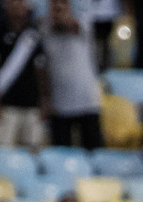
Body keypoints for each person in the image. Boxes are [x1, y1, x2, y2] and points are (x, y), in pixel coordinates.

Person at [0, 0, 48, 150]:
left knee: (33, 150)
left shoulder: (33, 34)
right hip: (7, 103)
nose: (16, 6)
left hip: (31, 104)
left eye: (20, 2)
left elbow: (40, 69)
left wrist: (44, 100)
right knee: (3, 149)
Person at [42, 0, 103, 149]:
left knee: (93, 152)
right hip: (58, 103)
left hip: (86, 101)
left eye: (62, 10)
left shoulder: (83, 24)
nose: (58, 14)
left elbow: (70, 26)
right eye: (55, 10)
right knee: (61, 155)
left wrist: (64, 19)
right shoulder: (43, 30)